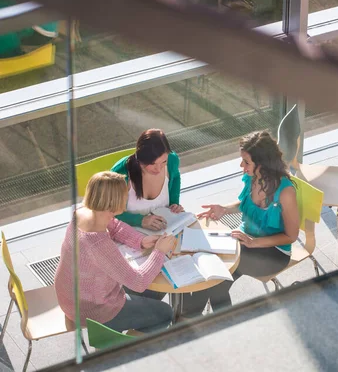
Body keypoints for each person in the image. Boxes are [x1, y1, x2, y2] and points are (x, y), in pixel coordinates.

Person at [181, 131, 299, 315]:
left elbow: (291, 236)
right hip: (244, 240)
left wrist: (254, 243)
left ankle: (193, 321)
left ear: (263, 163)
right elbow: (246, 204)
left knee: (217, 280)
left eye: (246, 162)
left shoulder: (285, 192)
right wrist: (224, 209)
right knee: (207, 269)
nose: (241, 165)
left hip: (273, 252)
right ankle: (192, 319)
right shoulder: (252, 178)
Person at [54, 172, 176, 333]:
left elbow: (115, 225)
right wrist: (159, 251)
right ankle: (125, 345)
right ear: (115, 202)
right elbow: (138, 282)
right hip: (93, 309)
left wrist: (141, 240)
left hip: (74, 296)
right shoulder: (98, 243)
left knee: (156, 286)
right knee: (166, 313)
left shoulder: (83, 212)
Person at [111, 129, 184, 232]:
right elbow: (109, 211)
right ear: (140, 158)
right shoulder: (119, 174)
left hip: (164, 232)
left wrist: (174, 203)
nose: (158, 169)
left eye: (164, 162)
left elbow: (176, 177)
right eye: (153, 163)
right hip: (129, 237)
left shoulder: (172, 159)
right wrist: (140, 220)